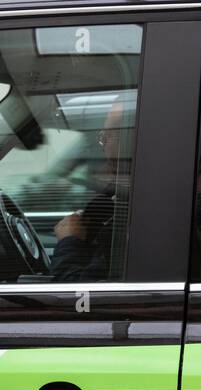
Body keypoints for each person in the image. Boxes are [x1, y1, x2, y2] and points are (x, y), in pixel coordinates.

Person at [52, 98, 131, 281]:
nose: (103, 145)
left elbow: (76, 297)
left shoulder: (135, 217)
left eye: (109, 135)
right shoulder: (120, 199)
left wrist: (69, 241)